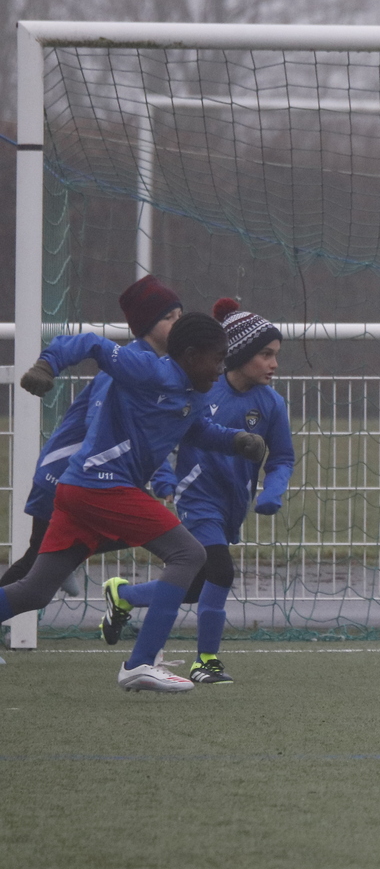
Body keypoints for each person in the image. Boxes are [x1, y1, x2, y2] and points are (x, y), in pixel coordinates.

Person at [3, 314, 269, 693]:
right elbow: (90, 342)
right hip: (100, 484)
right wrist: (48, 365)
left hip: (81, 490)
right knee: (189, 554)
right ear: (191, 355)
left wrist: (236, 440)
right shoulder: (148, 369)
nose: (221, 368)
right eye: (217, 358)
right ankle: (140, 664)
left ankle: (139, 652)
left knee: (35, 590)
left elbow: (196, 429)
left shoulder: (194, 393)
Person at [106, 299, 295, 685]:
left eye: (276, 354)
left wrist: (272, 492)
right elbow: (160, 436)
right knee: (221, 571)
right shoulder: (202, 390)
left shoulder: (272, 404)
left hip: (233, 505)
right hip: (196, 498)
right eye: (266, 354)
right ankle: (206, 661)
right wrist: (165, 480)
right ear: (239, 354)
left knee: (193, 585)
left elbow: (282, 458)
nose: (274, 363)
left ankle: (125, 595)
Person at [0, 275, 182, 588]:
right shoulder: (126, 367)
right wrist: (48, 364)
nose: (178, 324)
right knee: (34, 566)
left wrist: (162, 476)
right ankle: (66, 561)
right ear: (146, 325)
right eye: (169, 318)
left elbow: (146, 436)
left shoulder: (155, 367)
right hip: (65, 475)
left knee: (40, 567)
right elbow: (101, 423)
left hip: (92, 479)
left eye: (181, 315)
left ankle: (67, 560)